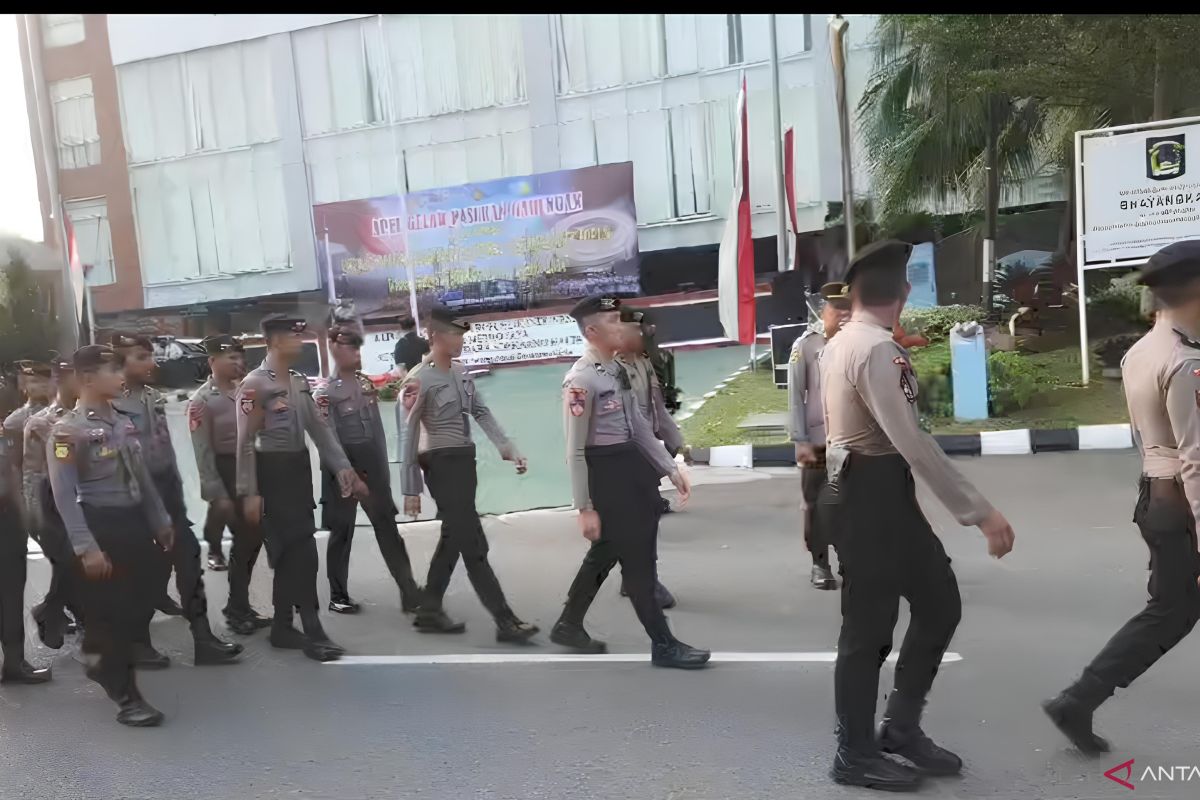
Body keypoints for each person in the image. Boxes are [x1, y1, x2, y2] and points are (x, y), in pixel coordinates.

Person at [819, 240, 1015, 791]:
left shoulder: (838, 342)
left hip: (864, 491)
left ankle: (900, 728)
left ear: (853, 293)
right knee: (868, 631)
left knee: (938, 603)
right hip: (871, 496)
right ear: (905, 291)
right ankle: (853, 753)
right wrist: (978, 512)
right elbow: (911, 440)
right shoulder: (879, 350)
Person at [1042, 241, 1200, 755]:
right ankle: (1079, 698)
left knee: (1172, 610)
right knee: (1169, 611)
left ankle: (1080, 699)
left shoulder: (1142, 351)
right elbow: (1194, 459)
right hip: (1180, 501)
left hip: (1155, 493)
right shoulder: (1183, 362)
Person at [550, 295, 709, 668]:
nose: (622, 327)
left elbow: (638, 425)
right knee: (638, 561)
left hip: (631, 467)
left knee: (607, 551)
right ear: (592, 331)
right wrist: (584, 507)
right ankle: (664, 643)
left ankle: (568, 624)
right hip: (607, 476)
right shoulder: (580, 380)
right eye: (612, 321)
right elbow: (574, 450)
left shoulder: (616, 371)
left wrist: (669, 467)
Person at [47, 345, 172, 725]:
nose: (121, 376)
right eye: (112, 369)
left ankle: (98, 653)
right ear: (87, 379)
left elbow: (142, 477)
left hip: (134, 522)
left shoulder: (123, 421)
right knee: (114, 615)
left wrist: (160, 519)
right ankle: (125, 695)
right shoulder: (68, 430)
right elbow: (64, 495)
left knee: (139, 603)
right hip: (102, 525)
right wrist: (87, 547)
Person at [397, 305, 537, 641]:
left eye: (462, 334)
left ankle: (429, 609)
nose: (460, 340)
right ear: (434, 336)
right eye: (454, 334)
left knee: (454, 537)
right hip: (440, 465)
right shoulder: (418, 379)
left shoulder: (461, 374)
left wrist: (507, 447)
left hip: (464, 463)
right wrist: (411, 487)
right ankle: (505, 621)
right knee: (472, 543)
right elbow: (409, 433)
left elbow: (481, 412)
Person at [236, 314, 367, 662]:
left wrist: (343, 468)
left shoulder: (297, 382)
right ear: (277, 341)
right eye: (295, 337)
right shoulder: (255, 384)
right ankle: (312, 629)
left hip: (297, 472)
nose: (301, 342)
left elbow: (319, 429)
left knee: (295, 553)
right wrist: (249, 492)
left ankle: (282, 626)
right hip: (271, 475)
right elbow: (245, 442)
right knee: (299, 555)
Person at [112, 332, 242, 668]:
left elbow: (163, 447)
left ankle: (203, 639)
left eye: (150, 356)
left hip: (166, 491)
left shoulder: (152, 396)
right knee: (147, 572)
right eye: (141, 357)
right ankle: (137, 642)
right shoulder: (109, 403)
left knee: (188, 561)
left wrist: (175, 490)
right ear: (118, 362)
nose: (151, 363)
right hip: (135, 499)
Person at [315, 323, 422, 615]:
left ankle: (409, 592)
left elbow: (377, 433)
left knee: (388, 528)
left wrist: (382, 476)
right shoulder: (325, 393)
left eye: (357, 347)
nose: (356, 353)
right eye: (350, 347)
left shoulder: (364, 384)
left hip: (372, 466)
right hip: (343, 471)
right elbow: (329, 440)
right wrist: (348, 477)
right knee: (342, 533)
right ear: (335, 350)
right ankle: (338, 595)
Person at [188, 335, 271, 636]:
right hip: (225, 471)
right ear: (212, 362)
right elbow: (202, 451)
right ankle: (236, 609)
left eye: (239, 357)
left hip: (249, 467)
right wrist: (216, 494)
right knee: (246, 540)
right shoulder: (202, 401)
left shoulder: (245, 391)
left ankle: (240, 605)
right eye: (230, 358)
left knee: (252, 539)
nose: (238, 362)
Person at [614, 307, 679, 609]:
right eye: (637, 329)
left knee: (647, 518)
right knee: (635, 522)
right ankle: (642, 580)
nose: (644, 334)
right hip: (623, 455)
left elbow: (657, 409)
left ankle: (637, 578)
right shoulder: (609, 368)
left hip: (648, 452)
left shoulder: (644, 364)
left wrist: (676, 441)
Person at [788, 282, 851, 590]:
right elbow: (796, 395)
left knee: (853, 501)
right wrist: (800, 439)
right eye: (837, 308)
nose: (843, 315)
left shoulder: (859, 343)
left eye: (848, 308)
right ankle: (819, 562)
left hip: (854, 438)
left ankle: (852, 559)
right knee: (816, 503)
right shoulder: (807, 345)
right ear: (824, 310)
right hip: (818, 439)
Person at [24, 355, 85, 649]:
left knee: (75, 566)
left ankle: (57, 613)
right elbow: (32, 474)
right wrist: (36, 520)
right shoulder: (42, 422)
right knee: (71, 563)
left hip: (86, 499)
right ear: (61, 380)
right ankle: (50, 612)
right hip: (53, 503)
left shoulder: (92, 414)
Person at [0, 360, 53, 684]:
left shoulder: (6, 434)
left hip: (8, 522)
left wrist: (22, 523)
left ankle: (15, 662)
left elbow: (15, 476)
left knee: (10, 593)